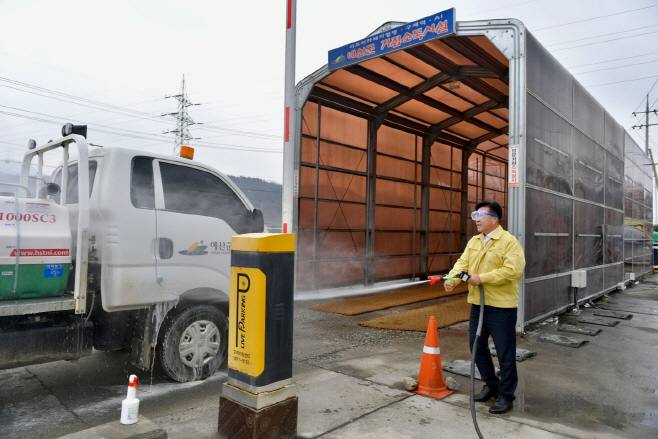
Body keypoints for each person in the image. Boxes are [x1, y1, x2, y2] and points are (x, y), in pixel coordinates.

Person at [444, 201, 525, 414]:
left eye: (481, 215)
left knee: (505, 352)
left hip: (501, 306)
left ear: (494, 219)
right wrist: (452, 278)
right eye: (475, 215)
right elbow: (462, 263)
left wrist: (482, 278)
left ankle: (507, 396)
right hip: (478, 304)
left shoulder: (509, 242)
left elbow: (512, 271)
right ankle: (492, 385)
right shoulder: (475, 241)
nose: (477, 220)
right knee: (477, 347)